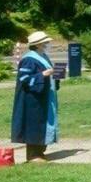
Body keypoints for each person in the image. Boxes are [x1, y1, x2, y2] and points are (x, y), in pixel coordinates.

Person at [11, 31, 59, 162]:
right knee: (34, 125)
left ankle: (40, 152)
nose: (47, 44)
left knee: (44, 123)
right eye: (45, 42)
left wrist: (57, 74)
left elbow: (48, 75)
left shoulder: (43, 56)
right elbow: (24, 79)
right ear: (38, 44)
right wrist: (43, 75)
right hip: (32, 100)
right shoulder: (28, 59)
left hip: (44, 98)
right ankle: (33, 155)